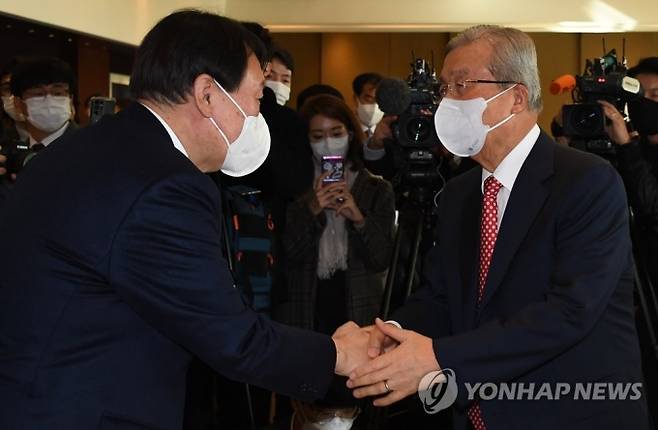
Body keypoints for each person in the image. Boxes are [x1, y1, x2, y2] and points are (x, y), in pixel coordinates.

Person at [0, 11, 370, 430]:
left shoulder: (90, 148)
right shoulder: (165, 184)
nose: (258, 113)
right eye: (255, 97)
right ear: (208, 94)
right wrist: (338, 354)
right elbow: (232, 338)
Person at [349, 25, 650, 430]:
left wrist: (438, 358)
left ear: (516, 97)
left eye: (461, 85)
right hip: (477, 415)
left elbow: (568, 312)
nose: (446, 102)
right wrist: (392, 334)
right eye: (445, 88)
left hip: (570, 413)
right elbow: (441, 296)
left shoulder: (587, 182)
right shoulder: (459, 194)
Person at [279, 93, 395, 429]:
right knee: (311, 393)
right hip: (307, 308)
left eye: (336, 132)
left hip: (358, 306)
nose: (328, 142)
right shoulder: (295, 189)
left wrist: (357, 217)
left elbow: (380, 258)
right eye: (317, 137)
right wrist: (313, 209)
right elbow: (288, 254)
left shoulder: (376, 189)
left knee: (354, 394)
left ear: (351, 134)